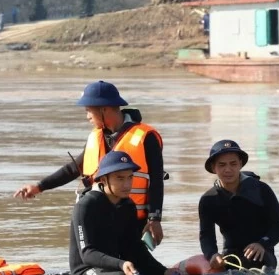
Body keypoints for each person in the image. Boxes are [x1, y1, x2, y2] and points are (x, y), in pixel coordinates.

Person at [14, 80, 165, 247]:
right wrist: (39, 186)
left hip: (134, 219)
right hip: (100, 217)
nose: (87, 117)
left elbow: (156, 180)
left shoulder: (146, 137)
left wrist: (154, 219)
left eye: (88, 111)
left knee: (132, 264)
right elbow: (73, 169)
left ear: (104, 109)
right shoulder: (96, 137)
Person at [70, 151, 180, 275]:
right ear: (104, 179)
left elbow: (134, 248)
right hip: (87, 272)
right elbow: (88, 254)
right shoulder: (86, 206)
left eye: (130, 178)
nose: (127, 184)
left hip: (114, 268)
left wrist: (163, 271)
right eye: (120, 178)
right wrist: (120, 264)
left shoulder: (128, 206)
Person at [198, 140, 279, 272]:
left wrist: (262, 244)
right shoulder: (208, 200)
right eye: (222, 165)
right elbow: (206, 236)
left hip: (262, 255)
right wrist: (212, 255)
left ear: (240, 164)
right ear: (213, 168)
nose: (228, 169)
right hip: (230, 256)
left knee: (257, 259)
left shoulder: (261, 190)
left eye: (233, 164)